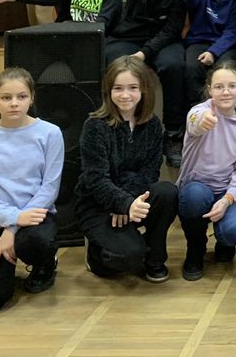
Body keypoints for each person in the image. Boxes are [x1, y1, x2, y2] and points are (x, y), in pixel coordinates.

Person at [0, 68, 63, 311]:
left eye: (21, 96)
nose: (14, 103)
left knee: (38, 243)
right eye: (6, 97)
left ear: (32, 98)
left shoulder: (50, 133)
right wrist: (13, 218)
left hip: (34, 216)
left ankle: (44, 263)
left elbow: (49, 189)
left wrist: (13, 229)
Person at [76, 57, 179, 283]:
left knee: (167, 191)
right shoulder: (94, 126)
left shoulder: (153, 125)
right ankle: (96, 253)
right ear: (108, 91)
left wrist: (129, 203)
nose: (125, 95)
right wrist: (122, 204)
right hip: (98, 205)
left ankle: (154, 259)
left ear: (143, 90)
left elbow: (150, 173)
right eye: (118, 88)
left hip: (133, 201)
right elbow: (96, 180)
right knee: (125, 259)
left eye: (132, 88)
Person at [104, 0, 186, 166]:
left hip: (162, 42)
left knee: (174, 66)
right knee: (114, 62)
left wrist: (144, 54)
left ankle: (173, 134)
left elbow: (170, 31)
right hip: (128, 37)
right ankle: (116, 127)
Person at [177, 63, 236, 281]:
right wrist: (204, 121)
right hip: (197, 187)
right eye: (219, 87)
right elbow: (195, 122)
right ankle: (195, 248)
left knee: (235, 230)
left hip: (227, 189)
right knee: (194, 197)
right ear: (210, 90)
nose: (226, 92)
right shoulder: (199, 112)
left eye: (232, 86)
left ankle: (224, 242)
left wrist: (227, 199)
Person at [180, 0, 236, 112]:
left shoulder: (234, 0)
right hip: (197, 42)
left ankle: (227, 110)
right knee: (192, 67)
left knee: (227, 69)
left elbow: (231, 32)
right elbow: (190, 2)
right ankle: (197, 110)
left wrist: (213, 52)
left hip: (224, 45)